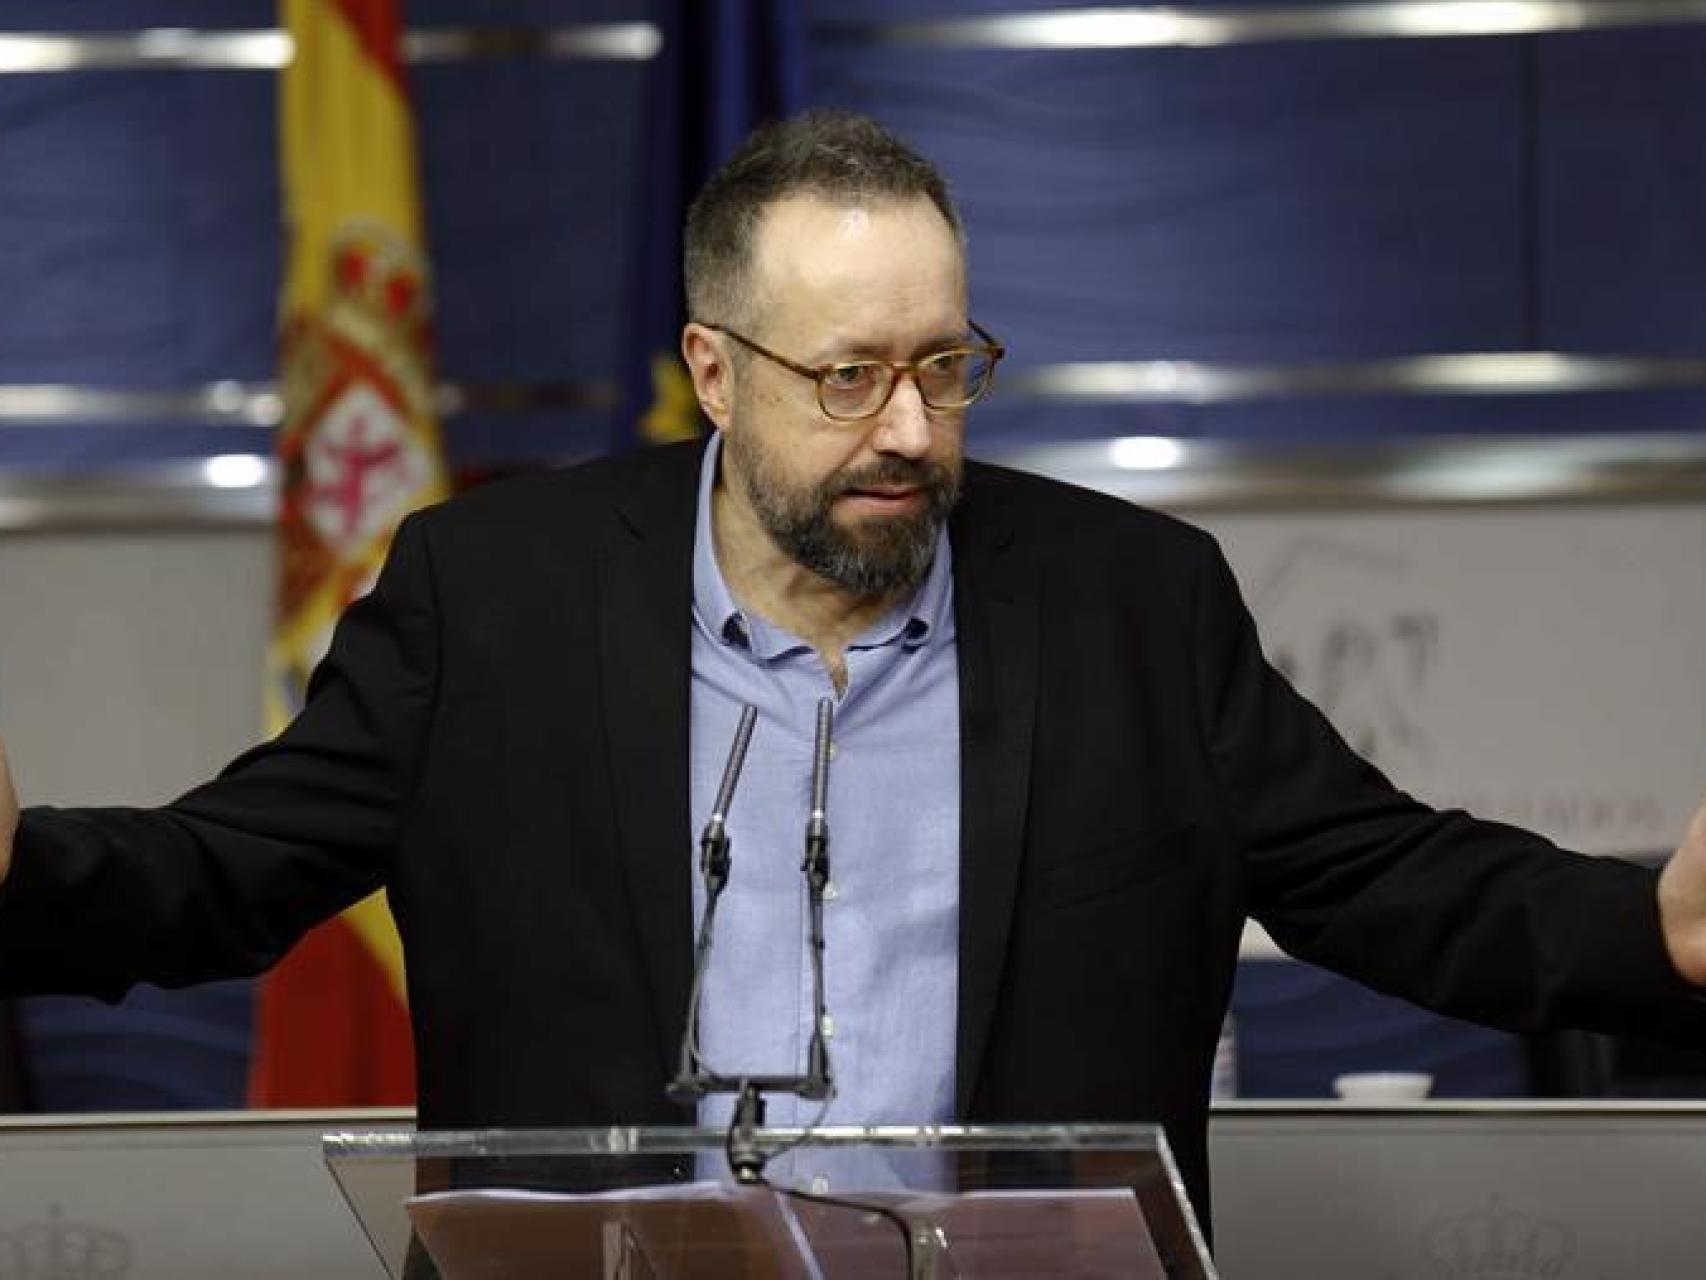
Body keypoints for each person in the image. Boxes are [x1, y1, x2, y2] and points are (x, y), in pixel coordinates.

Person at [1, 110, 1705, 1233]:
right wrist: (19, 873)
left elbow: (1384, 878)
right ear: (712, 369)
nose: (907, 428)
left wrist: (1657, 933)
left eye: (945, 368)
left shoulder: (1129, 602)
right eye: (848, 376)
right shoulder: (491, 595)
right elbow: (232, 869)